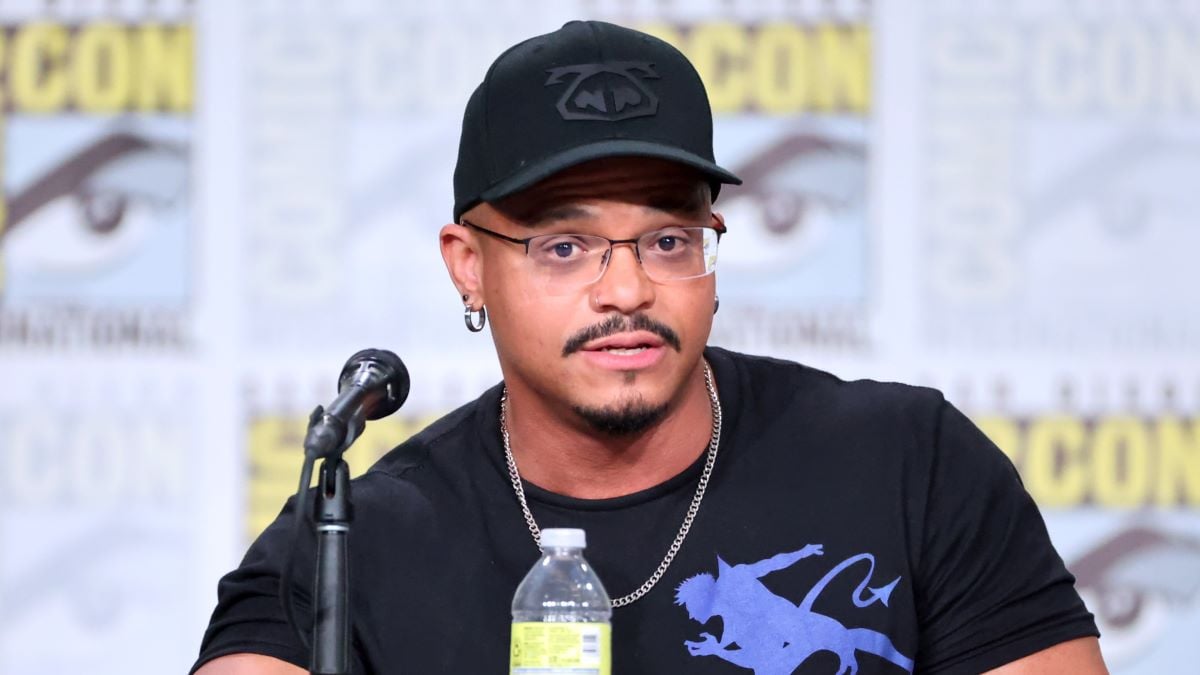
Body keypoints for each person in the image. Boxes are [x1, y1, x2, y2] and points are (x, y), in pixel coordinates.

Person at [193, 20, 1108, 674]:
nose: (628, 290)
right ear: (467, 267)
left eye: (668, 240)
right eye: (565, 246)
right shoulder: (362, 535)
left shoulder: (913, 462)